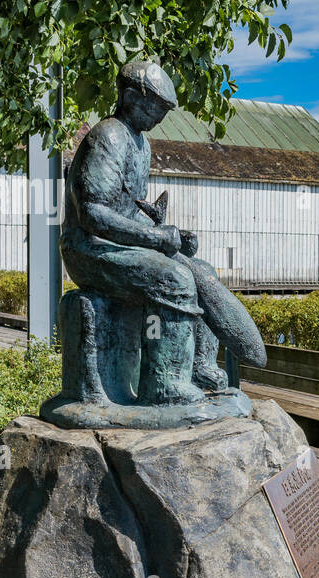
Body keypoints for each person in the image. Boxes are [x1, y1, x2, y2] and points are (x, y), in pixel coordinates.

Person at [61, 60, 264, 405]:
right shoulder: (108, 135)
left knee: (202, 272)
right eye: (156, 107)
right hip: (88, 249)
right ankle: (165, 384)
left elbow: (128, 213)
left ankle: (198, 366)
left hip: (119, 244)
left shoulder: (142, 146)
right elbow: (93, 213)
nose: (160, 117)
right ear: (129, 98)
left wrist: (171, 236)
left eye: (164, 111)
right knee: (174, 280)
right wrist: (156, 240)